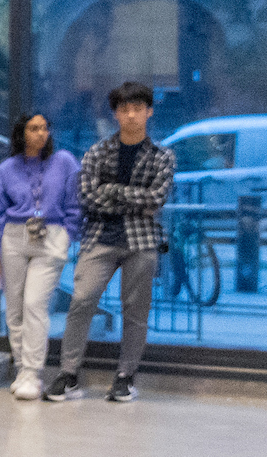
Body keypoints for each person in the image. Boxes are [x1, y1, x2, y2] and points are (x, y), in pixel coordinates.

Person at [46, 80, 174, 404]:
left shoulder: (162, 156)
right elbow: (87, 196)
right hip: (100, 236)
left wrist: (112, 191)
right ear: (116, 113)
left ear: (149, 112)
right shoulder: (97, 151)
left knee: (135, 311)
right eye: (124, 109)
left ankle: (125, 375)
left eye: (137, 109)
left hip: (142, 240)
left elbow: (155, 200)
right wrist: (131, 197)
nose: (131, 115)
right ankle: (69, 373)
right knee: (82, 300)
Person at [0, 110, 80, 401]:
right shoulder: (7, 168)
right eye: (34, 128)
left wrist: (68, 234)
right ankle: (22, 369)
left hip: (50, 237)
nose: (41, 133)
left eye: (45, 128)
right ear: (21, 133)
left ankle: (32, 373)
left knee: (34, 304)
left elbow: (75, 202)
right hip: (13, 237)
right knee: (14, 308)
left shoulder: (64, 161)